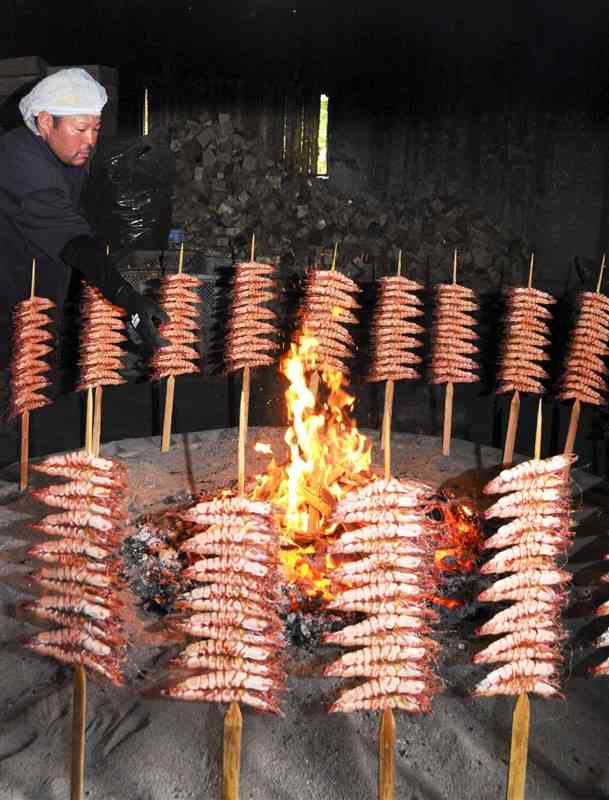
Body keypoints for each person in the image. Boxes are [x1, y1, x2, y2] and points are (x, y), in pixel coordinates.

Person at [0, 67, 167, 371]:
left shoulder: (67, 153)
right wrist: (124, 294)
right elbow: (68, 235)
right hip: (8, 290)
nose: (90, 140)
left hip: (41, 284)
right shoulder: (19, 159)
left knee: (35, 380)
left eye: (96, 128)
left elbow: (83, 214)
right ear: (46, 122)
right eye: (80, 129)